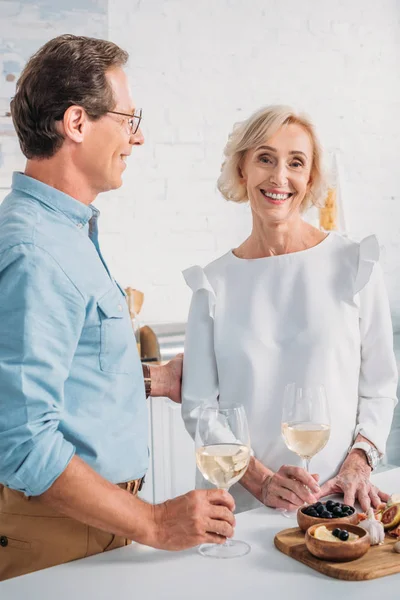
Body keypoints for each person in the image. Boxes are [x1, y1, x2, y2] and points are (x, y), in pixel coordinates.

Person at [0, 35, 235, 582]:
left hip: (90, 522)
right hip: (59, 532)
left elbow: (69, 370)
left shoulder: (67, 230)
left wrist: (149, 379)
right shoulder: (37, 251)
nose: (139, 137)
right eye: (129, 119)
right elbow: (23, 440)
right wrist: (154, 523)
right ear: (77, 123)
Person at [182, 104, 398, 515]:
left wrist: (360, 461)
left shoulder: (356, 265)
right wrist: (260, 480)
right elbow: (200, 408)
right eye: (265, 158)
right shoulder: (211, 284)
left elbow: (381, 385)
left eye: (295, 163)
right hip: (240, 508)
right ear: (243, 169)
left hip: (336, 499)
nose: (279, 177)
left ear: (310, 177)